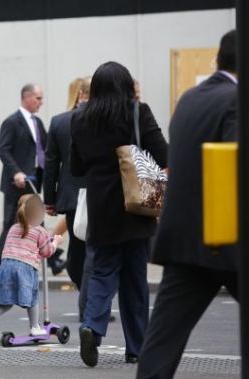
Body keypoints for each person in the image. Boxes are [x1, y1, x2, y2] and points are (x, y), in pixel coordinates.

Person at [137, 30, 238, 379]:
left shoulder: (190, 98)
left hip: (183, 238)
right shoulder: (236, 100)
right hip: (227, 237)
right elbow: (234, 166)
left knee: (164, 337)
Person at [70, 61, 168, 367]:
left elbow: (76, 167)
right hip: (136, 206)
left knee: (101, 271)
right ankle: (137, 348)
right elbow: (163, 154)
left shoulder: (81, 118)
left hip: (101, 208)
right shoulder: (138, 111)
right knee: (135, 280)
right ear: (127, 85)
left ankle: (91, 326)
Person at [0, 84, 64, 274]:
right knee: (11, 223)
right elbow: (3, 150)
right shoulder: (12, 122)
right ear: (27, 97)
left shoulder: (37, 123)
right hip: (17, 183)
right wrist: (16, 172)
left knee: (36, 221)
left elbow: (46, 149)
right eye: (38, 98)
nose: (41, 102)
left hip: (33, 180)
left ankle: (52, 260)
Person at [0, 194, 63, 338]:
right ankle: (35, 327)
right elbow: (47, 251)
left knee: (6, 300)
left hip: (6, 265)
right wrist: (56, 242)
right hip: (25, 267)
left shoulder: (13, 228)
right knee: (32, 298)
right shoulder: (39, 231)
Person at [44, 76, 90, 316]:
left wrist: (49, 199)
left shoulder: (59, 122)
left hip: (72, 197)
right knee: (96, 250)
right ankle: (91, 301)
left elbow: (51, 164)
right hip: (99, 195)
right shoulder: (103, 121)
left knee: (77, 250)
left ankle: (86, 294)